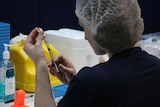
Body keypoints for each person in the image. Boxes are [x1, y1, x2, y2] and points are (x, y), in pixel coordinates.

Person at [23, 0, 160, 107]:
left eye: (84, 27)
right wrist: (76, 84)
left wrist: (40, 63)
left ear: (101, 27)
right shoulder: (156, 66)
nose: (85, 37)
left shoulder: (90, 83)